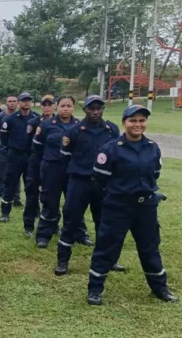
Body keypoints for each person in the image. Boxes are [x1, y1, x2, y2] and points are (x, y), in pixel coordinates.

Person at [87, 105, 178, 305]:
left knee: (150, 248)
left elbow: (155, 173)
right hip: (118, 207)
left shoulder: (152, 147)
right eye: (133, 120)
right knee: (107, 247)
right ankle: (95, 289)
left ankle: (160, 288)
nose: (137, 125)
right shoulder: (111, 149)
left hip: (145, 208)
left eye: (141, 121)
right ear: (124, 123)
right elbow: (100, 181)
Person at [55, 95, 124, 276]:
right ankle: (63, 260)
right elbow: (64, 159)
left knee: (104, 223)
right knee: (71, 222)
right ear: (84, 109)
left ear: (102, 109)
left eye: (98, 108)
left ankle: (108, 261)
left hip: (102, 185)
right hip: (79, 183)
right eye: (91, 108)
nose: (95, 112)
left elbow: (117, 156)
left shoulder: (111, 130)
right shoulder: (74, 131)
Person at [31, 96, 89, 248]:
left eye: (69, 106)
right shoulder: (46, 125)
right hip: (52, 168)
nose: (66, 108)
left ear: (73, 107)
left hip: (72, 169)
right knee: (50, 202)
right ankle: (44, 235)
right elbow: (37, 149)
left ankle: (80, 233)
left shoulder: (79, 126)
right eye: (63, 105)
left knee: (75, 203)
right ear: (57, 107)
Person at [0, 92, 39, 230]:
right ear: (19, 103)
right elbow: (3, 138)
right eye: (23, 100)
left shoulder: (36, 118)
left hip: (31, 156)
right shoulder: (10, 119)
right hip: (15, 155)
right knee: (10, 183)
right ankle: (5, 212)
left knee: (32, 185)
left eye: (28, 100)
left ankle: (34, 211)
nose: (26, 103)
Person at [22, 95, 55, 235]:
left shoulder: (58, 122)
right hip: (36, 161)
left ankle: (53, 224)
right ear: (41, 106)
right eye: (44, 104)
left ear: (54, 105)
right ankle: (29, 226)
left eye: (50, 104)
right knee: (32, 194)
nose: (47, 107)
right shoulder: (34, 122)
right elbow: (28, 143)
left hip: (52, 163)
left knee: (52, 195)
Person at [0, 96, 22, 207]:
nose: (12, 103)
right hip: (2, 151)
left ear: (18, 103)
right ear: (6, 103)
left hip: (17, 151)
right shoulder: (0, 117)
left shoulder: (21, 116)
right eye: (10, 101)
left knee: (16, 177)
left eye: (14, 101)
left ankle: (17, 199)